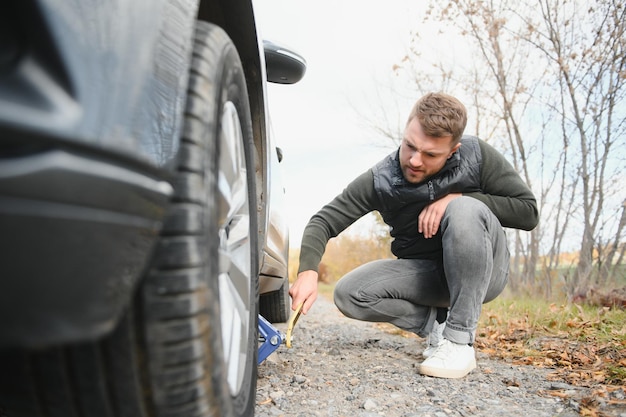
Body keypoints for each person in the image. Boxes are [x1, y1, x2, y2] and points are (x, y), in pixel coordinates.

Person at [289, 92, 539, 379]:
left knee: (464, 209)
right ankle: (438, 327)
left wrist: (457, 196)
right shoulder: (381, 181)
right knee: (349, 294)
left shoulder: (477, 157)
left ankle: (459, 341)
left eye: (430, 154)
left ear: (453, 150)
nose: (415, 161)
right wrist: (307, 270)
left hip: (484, 273)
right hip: (429, 276)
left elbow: (528, 212)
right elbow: (324, 220)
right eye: (410, 146)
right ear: (406, 131)